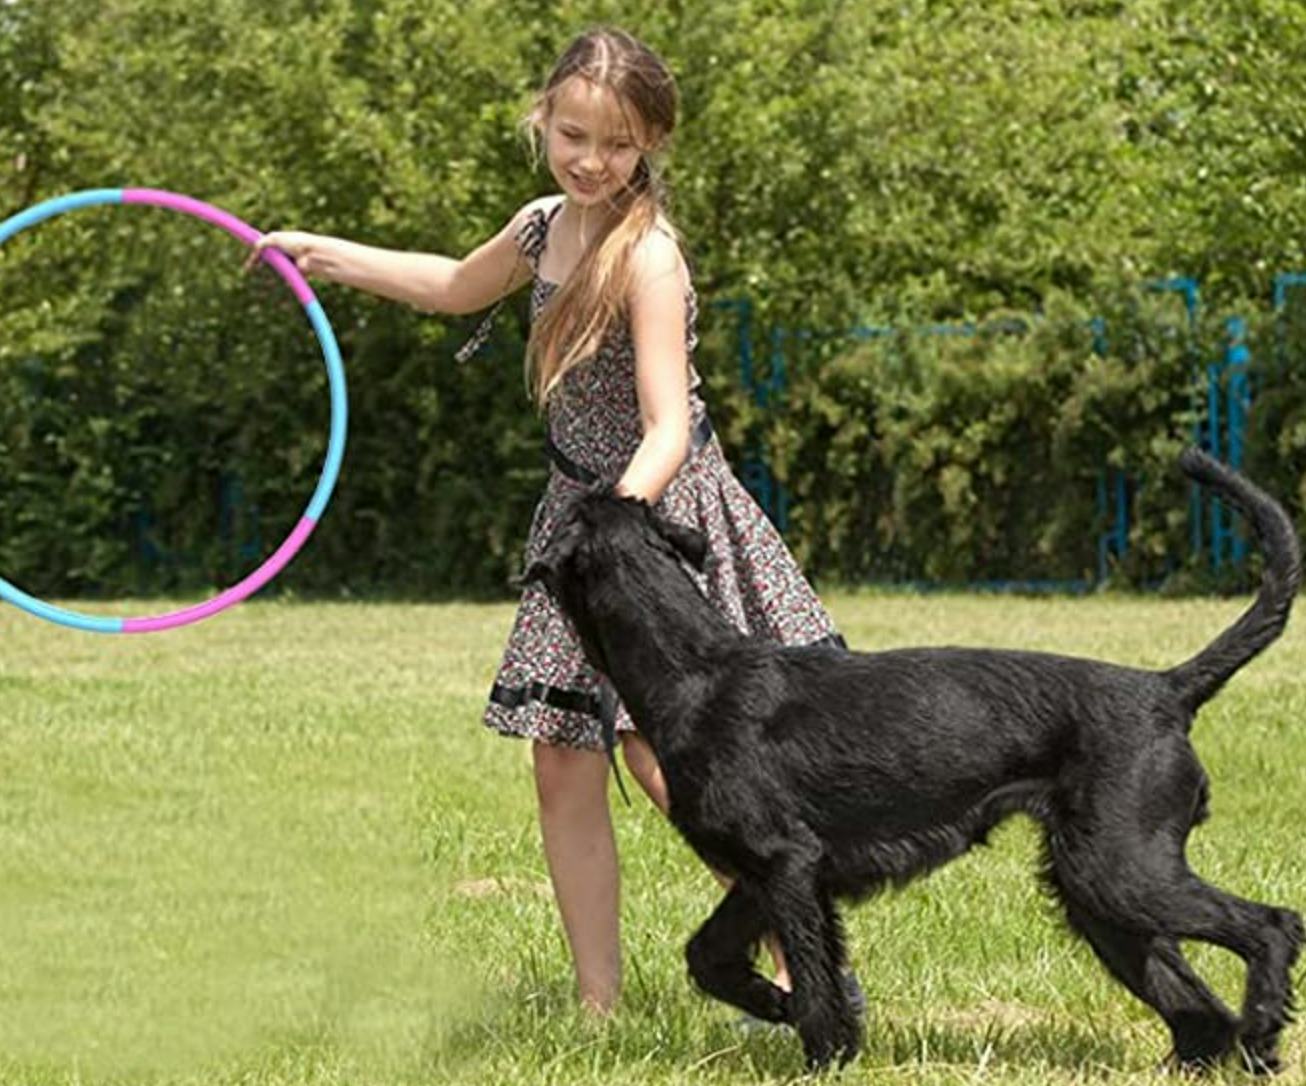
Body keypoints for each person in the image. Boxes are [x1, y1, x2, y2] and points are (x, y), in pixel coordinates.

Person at [251, 25, 853, 1017]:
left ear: (650, 142)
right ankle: (597, 1003)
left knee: (679, 760)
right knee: (561, 757)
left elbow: (666, 425)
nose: (588, 159)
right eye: (571, 133)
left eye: (614, 144)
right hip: (578, 522)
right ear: (543, 120)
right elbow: (452, 286)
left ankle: (798, 960)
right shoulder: (541, 228)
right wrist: (330, 257)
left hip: (653, 520)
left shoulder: (647, 254)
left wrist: (620, 529)